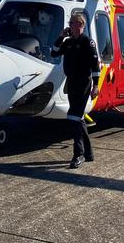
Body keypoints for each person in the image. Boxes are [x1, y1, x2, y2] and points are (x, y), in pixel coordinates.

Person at [52, 12, 100, 169]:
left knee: (73, 117)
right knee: (78, 118)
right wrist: (61, 37)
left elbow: (95, 66)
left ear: (82, 26)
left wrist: (96, 85)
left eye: (78, 24)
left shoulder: (88, 43)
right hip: (71, 83)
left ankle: (78, 154)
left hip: (83, 84)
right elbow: (54, 52)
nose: (75, 26)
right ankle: (89, 153)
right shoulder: (68, 42)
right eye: (72, 23)